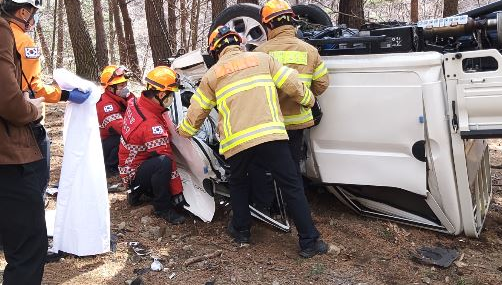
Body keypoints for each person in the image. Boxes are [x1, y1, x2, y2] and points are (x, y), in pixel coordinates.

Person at [177, 26, 329, 258]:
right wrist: (309, 101)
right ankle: (309, 241)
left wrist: (184, 132)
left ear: (215, 50)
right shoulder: (262, 59)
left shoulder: (212, 75)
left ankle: (242, 231)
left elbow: (196, 112)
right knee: (291, 186)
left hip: (237, 142)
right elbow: (292, 84)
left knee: (238, 183)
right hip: (271, 134)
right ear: (238, 42)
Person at [1, 0, 90, 197]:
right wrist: (67, 94)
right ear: (23, 12)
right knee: (34, 183)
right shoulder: (23, 41)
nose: (34, 18)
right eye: (34, 12)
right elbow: (35, 89)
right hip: (23, 122)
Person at [0, 0, 48, 285]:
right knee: (29, 244)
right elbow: (29, 90)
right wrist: (39, 106)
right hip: (10, 148)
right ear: (24, 11)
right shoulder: (17, 36)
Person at [256, 0, 329, 171]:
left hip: (272, 124)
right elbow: (322, 83)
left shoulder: (260, 53)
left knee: (272, 169)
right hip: (298, 120)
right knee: (293, 164)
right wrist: (305, 95)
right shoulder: (310, 50)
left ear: (270, 25)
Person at [118, 66, 186, 225]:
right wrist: (178, 193)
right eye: (171, 94)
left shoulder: (137, 102)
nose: (172, 98)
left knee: (161, 162)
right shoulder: (150, 125)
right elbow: (166, 155)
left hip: (128, 166)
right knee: (163, 163)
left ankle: (142, 190)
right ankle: (162, 207)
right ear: (161, 94)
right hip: (133, 176)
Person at [97, 65, 133, 178]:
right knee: (124, 138)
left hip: (111, 141)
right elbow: (121, 127)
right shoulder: (105, 104)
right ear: (110, 87)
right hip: (104, 146)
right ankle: (110, 168)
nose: (125, 87)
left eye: (125, 84)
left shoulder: (124, 97)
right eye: (121, 85)